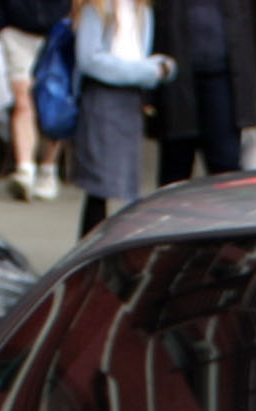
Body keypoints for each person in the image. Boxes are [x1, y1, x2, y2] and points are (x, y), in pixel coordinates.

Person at [68, 0, 175, 236]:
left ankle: (117, 253)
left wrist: (159, 69)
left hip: (131, 102)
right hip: (102, 100)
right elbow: (89, 60)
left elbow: (142, 55)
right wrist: (146, 71)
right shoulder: (96, 8)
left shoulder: (142, 10)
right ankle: (88, 257)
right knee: (99, 186)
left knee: (128, 187)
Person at [154, 0, 256, 181]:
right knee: (176, 164)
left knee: (225, 165)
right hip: (177, 80)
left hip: (223, 80)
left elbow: (251, 26)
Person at [0, 0, 71, 200]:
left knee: (54, 102)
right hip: (17, 32)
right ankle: (25, 169)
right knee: (23, 100)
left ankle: (48, 169)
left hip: (56, 33)